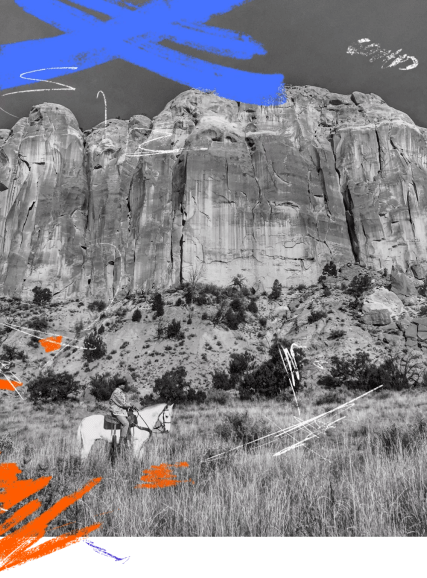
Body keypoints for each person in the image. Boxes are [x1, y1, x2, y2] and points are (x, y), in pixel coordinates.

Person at [109, 379, 131, 448]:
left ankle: (128, 440)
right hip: (117, 411)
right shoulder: (116, 392)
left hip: (121, 411)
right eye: (123, 384)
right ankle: (121, 442)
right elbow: (121, 403)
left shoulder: (121, 392)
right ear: (119, 385)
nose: (124, 386)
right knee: (126, 423)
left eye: (124, 384)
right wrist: (130, 405)